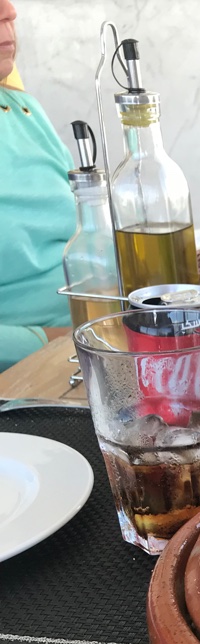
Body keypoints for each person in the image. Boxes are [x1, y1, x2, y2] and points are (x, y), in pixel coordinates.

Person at [0, 0, 75, 373]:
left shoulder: (23, 109)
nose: (9, 10)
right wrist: (49, 341)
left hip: (94, 337)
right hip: (23, 376)